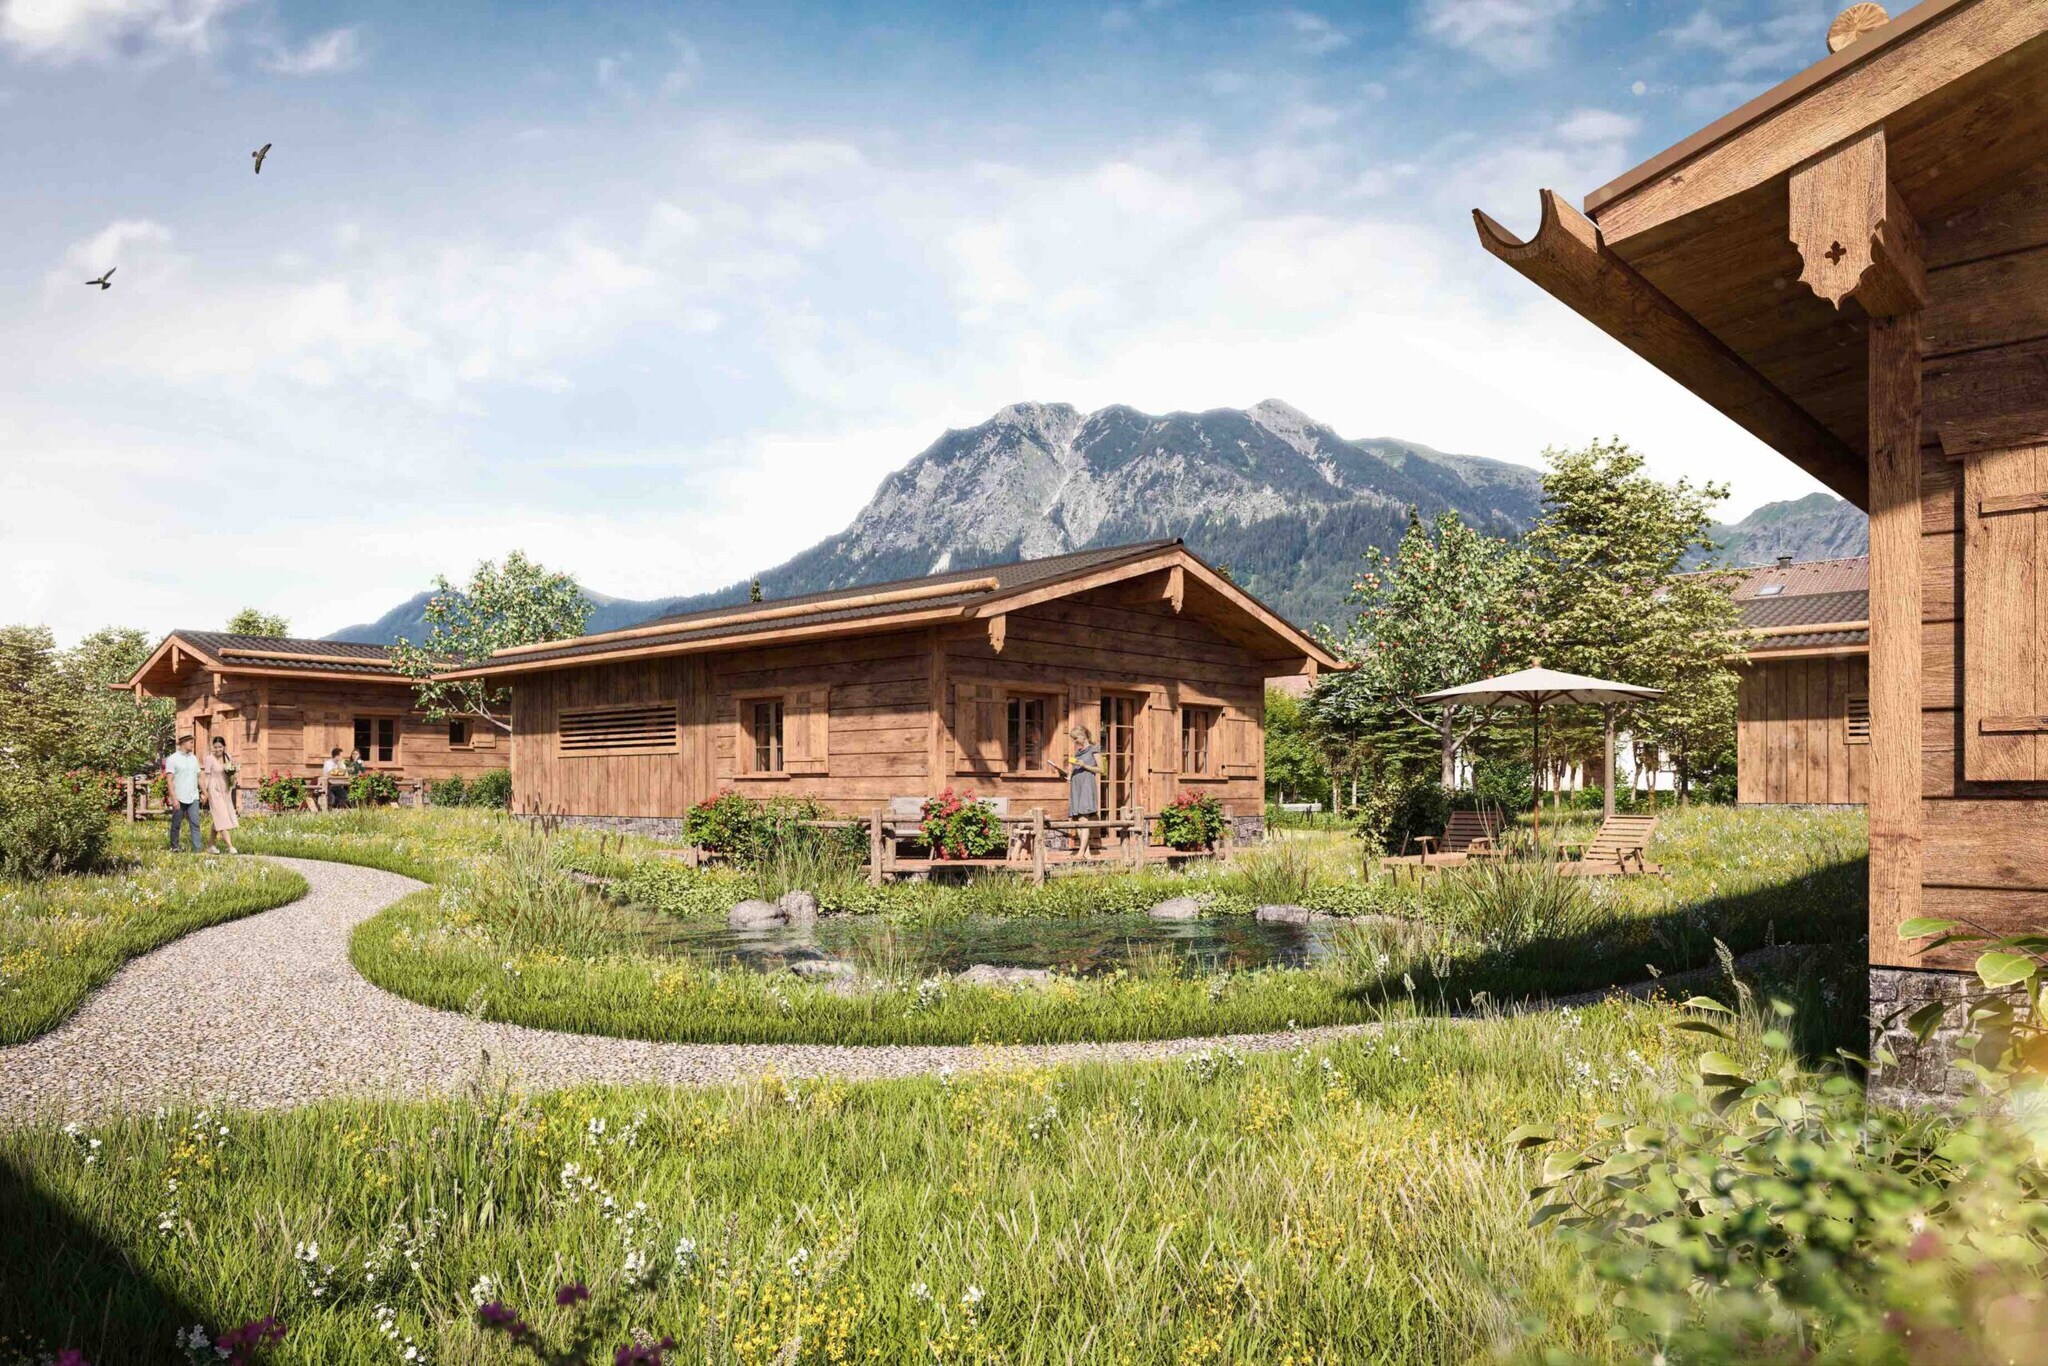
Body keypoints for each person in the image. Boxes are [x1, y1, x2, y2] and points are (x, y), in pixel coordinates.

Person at [1050, 725, 1104, 857]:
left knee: (1084, 819)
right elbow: (1075, 773)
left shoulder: (1094, 750)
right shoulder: (1078, 753)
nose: (1074, 742)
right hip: (1076, 786)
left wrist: (1084, 765)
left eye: (1075, 738)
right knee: (1079, 819)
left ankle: (1080, 852)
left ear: (1083, 736)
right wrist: (1065, 774)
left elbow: (1102, 770)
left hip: (1086, 786)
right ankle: (1087, 853)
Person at [164, 734, 203, 853]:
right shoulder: (172, 759)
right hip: (179, 796)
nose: (192, 744)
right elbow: (169, 780)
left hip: (193, 795)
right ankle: (174, 847)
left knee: (195, 823)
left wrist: (205, 792)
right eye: (190, 742)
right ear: (183, 743)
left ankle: (197, 850)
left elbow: (199, 777)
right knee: (176, 824)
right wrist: (174, 798)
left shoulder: (194, 758)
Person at [203, 736, 241, 854]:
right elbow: (207, 776)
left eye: (220, 747)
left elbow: (230, 774)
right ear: (212, 748)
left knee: (219, 818)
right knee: (222, 816)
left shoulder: (228, 757)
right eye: (215, 747)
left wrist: (234, 777)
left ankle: (211, 845)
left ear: (224, 747)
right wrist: (205, 793)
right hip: (214, 790)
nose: (218, 749)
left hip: (225, 790)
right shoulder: (209, 759)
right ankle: (230, 847)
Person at [321, 746, 349, 811]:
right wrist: (336, 768)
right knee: (332, 799)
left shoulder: (342, 764)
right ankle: (329, 810)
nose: (342, 757)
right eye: (341, 756)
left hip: (338, 786)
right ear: (336, 756)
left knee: (345, 796)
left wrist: (340, 766)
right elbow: (326, 774)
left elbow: (347, 775)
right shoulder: (328, 763)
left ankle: (338, 810)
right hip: (329, 786)